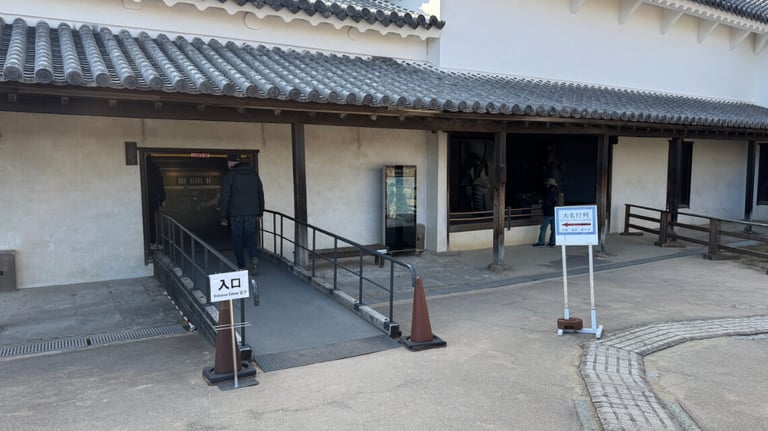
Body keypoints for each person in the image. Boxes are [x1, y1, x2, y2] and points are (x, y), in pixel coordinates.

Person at [219, 153, 265, 273]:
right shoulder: (254, 175)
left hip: (235, 213)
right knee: (250, 237)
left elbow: (225, 196)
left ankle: (242, 266)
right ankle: (254, 258)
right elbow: (260, 193)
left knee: (237, 239)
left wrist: (224, 215)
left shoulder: (229, 176)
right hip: (251, 212)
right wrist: (260, 211)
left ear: (230, 163)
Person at [147, 155, 166, 250]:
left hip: (143, 198)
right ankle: (153, 242)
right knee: (152, 221)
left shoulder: (141, 167)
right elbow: (160, 183)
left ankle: (148, 242)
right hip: (153, 198)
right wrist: (163, 199)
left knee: (145, 221)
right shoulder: (154, 168)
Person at [533, 177, 559, 247]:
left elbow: (547, 202)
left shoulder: (549, 191)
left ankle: (541, 242)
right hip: (555, 211)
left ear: (549, 184)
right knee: (553, 228)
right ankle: (552, 242)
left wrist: (543, 203)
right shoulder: (557, 191)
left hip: (548, 212)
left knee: (543, 228)